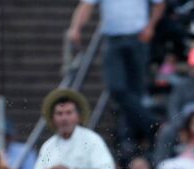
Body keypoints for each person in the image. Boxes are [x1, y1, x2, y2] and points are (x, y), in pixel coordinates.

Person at [67, 0, 164, 155]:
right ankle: (150, 123)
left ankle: (130, 139)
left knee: (135, 91)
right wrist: (75, 28)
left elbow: (159, 4)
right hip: (113, 40)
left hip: (137, 37)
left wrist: (151, 25)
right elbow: (86, 5)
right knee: (116, 88)